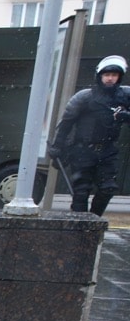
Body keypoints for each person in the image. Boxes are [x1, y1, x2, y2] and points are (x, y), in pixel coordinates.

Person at [50, 54, 130, 216]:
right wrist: (57, 146)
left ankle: (94, 221)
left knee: (108, 189)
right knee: (80, 193)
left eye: (114, 75)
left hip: (108, 151)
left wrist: (126, 116)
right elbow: (66, 123)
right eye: (106, 75)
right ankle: (80, 229)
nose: (110, 79)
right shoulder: (85, 97)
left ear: (119, 77)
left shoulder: (125, 95)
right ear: (99, 76)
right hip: (82, 151)